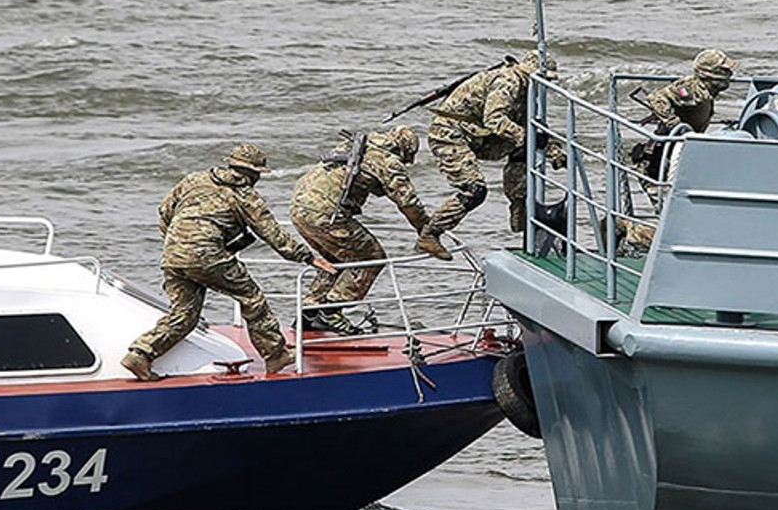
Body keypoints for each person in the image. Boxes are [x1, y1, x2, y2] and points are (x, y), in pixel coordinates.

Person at [121, 143, 336, 382]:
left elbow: (164, 212)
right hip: (207, 255)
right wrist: (308, 257)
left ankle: (141, 353)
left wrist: (178, 242)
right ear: (253, 173)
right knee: (251, 298)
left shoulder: (194, 180)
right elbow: (273, 234)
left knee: (184, 314)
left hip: (172, 255)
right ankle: (275, 354)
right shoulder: (245, 196)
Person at [288, 125, 445, 335]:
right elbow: (408, 202)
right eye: (409, 156)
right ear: (404, 149)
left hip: (300, 207)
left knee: (338, 261)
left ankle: (309, 312)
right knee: (372, 257)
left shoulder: (359, 144)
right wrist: (426, 231)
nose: (410, 162)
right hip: (326, 214)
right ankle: (331, 311)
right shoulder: (388, 162)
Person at [426, 50, 566, 234]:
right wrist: (528, 137)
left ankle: (519, 208)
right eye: (545, 80)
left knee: (523, 147)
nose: (547, 85)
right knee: (475, 190)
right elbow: (495, 120)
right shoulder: (509, 82)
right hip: (450, 134)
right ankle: (431, 233)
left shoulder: (527, 91)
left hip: (476, 135)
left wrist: (555, 152)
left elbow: (529, 128)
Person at [620, 48, 739, 250]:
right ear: (711, 73)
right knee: (672, 220)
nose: (730, 75)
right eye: (724, 70)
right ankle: (630, 230)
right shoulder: (691, 89)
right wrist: (675, 125)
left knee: (679, 217)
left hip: (678, 158)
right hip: (658, 163)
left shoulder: (706, 92)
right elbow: (656, 98)